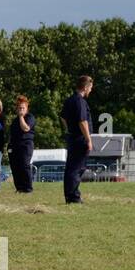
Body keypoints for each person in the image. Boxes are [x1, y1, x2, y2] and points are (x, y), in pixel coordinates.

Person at [61, 75, 94, 204]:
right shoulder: (80, 101)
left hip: (72, 137)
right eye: (90, 87)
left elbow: (63, 117)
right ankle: (74, 197)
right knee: (77, 169)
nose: (91, 90)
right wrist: (88, 139)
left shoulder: (70, 100)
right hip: (80, 139)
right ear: (85, 87)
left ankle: (70, 196)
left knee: (71, 168)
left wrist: (69, 129)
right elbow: (82, 121)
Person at [8, 95, 35, 193]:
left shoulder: (29, 117)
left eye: (23, 108)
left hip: (26, 144)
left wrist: (21, 117)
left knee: (24, 165)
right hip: (14, 146)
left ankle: (28, 188)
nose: (21, 110)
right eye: (19, 108)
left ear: (27, 108)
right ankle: (19, 188)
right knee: (15, 167)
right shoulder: (15, 121)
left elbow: (25, 128)